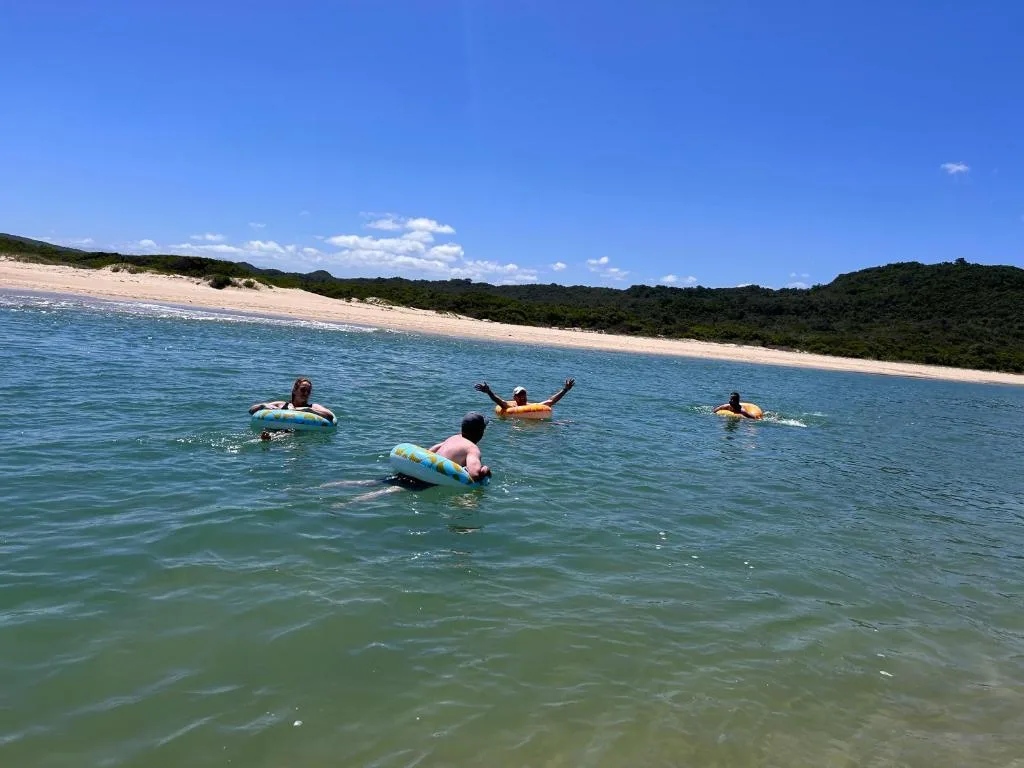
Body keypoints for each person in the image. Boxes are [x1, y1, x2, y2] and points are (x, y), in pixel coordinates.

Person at [327, 412, 491, 506]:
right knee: (390, 491)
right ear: (480, 431)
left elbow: (431, 451)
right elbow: (475, 474)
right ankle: (344, 504)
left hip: (418, 468)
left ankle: (330, 485)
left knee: (378, 482)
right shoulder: (472, 448)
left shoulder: (453, 438)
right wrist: (486, 470)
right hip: (428, 479)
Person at [249, 377, 336, 422]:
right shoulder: (282, 404)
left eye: (308, 391)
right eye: (303, 390)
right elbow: (251, 411)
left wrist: (309, 410)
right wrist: (263, 405)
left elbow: (330, 416)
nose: (306, 393)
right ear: (294, 390)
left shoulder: (313, 406)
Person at [475, 377, 575, 412]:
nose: (523, 397)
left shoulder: (531, 406)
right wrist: (489, 392)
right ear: (514, 397)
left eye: (524, 394)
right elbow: (499, 401)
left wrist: (565, 389)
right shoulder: (510, 406)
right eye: (520, 395)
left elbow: (551, 401)